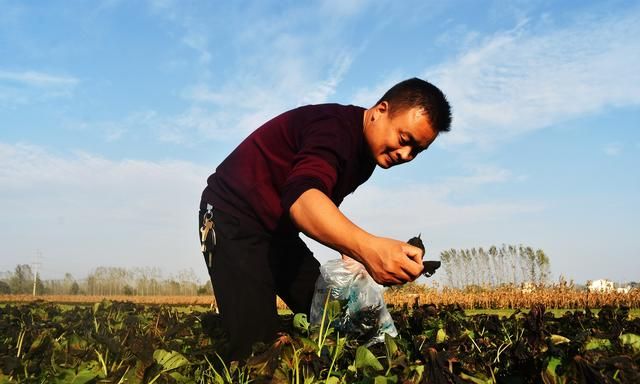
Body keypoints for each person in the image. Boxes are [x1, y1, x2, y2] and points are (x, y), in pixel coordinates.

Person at [198, 77, 451, 360]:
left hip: (279, 234)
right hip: (230, 216)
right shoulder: (334, 130)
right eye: (405, 139)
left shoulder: (367, 158)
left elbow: (323, 203)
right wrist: (368, 248)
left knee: (329, 314)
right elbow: (303, 199)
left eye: (417, 150)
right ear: (380, 111)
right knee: (257, 349)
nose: (405, 154)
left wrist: (351, 255)